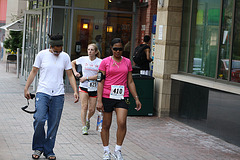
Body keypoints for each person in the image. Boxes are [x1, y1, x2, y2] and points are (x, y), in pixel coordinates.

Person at [24, 34, 79, 160]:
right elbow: (34, 71)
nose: (57, 53)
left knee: (53, 124)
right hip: (43, 92)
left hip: (58, 94)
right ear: (50, 46)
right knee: (39, 119)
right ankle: (38, 147)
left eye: (60, 50)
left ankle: (49, 150)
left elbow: (70, 75)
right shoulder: (42, 55)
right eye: (55, 50)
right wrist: (26, 87)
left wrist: (75, 90)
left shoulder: (65, 57)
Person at [97, 38, 142, 160]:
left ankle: (118, 149)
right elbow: (100, 82)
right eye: (115, 49)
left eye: (120, 49)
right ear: (111, 48)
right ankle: (106, 151)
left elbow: (130, 81)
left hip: (122, 96)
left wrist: (136, 98)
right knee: (106, 124)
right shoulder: (105, 62)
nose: (117, 51)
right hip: (107, 96)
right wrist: (99, 100)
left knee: (122, 122)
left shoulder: (127, 62)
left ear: (123, 49)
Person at [71, 43, 102, 135]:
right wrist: (75, 72)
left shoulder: (100, 62)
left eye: (92, 50)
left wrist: (87, 78)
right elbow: (72, 63)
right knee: (84, 106)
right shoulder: (83, 59)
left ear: (96, 52)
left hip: (94, 88)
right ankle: (84, 126)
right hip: (84, 86)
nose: (90, 51)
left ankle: (88, 119)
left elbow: (100, 75)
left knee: (92, 109)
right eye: (88, 49)